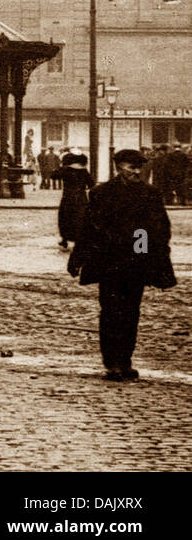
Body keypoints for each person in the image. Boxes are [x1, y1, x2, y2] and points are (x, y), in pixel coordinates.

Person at [68, 148, 176, 381]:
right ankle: (111, 362)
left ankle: (125, 360)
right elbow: (89, 228)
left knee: (131, 313)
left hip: (135, 263)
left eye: (139, 168)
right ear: (119, 167)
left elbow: (159, 228)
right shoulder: (101, 193)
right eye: (131, 167)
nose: (137, 172)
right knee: (110, 312)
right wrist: (77, 259)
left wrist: (142, 254)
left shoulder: (150, 194)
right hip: (109, 263)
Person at [57, 149, 92, 251]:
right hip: (81, 197)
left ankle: (64, 238)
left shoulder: (66, 170)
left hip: (68, 197)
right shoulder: (84, 171)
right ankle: (78, 239)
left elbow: (54, 176)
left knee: (65, 218)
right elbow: (91, 183)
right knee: (80, 218)